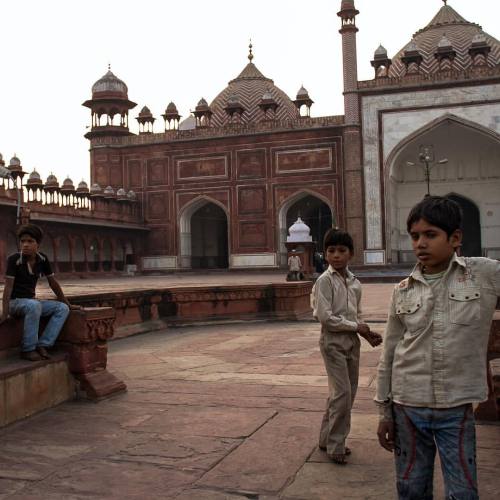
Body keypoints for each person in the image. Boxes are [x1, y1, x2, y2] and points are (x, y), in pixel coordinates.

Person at [375, 196, 500, 499]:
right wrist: (384, 411)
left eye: (431, 235)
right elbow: (390, 351)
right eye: (415, 236)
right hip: (407, 405)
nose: (420, 243)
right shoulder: (403, 290)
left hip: (455, 408)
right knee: (412, 488)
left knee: (463, 491)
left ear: (455, 238)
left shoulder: (483, 275)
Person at [311, 228, 382, 464]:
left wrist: (366, 333)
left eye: (341, 251)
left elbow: (356, 315)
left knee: (344, 394)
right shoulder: (324, 281)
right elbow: (325, 317)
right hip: (332, 341)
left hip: (351, 342)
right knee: (342, 394)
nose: (336, 255)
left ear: (351, 254)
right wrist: (356, 328)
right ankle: (336, 446)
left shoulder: (355, 283)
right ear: (325, 254)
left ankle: (325, 438)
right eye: (331, 251)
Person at [0, 224, 77, 361]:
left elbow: (53, 283)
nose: (25, 245)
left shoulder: (42, 259)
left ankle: (44, 344)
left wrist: (68, 303)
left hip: (31, 302)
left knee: (62, 308)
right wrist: (5, 312)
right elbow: (8, 288)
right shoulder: (14, 259)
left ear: (38, 244)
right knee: (34, 305)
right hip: (15, 303)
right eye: (23, 241)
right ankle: (28, 349)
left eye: (30, 241)